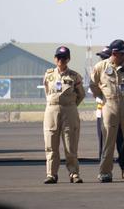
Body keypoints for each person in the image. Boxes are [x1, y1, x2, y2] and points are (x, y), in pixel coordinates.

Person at [90, 39, 124, 183]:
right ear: (114, 53)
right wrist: (103, 97)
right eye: (122, 53)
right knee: (108, 140)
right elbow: (93, 85)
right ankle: (105, 172)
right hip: (109, 105)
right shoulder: (100, 67)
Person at [42, 46, 85, 184]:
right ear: (55, 59)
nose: (61, 60)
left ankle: (74, 173)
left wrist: (70, 105)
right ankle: (51, 174)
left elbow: (81, 94)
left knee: (70, 144)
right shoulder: (48, 75)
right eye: (59, 58)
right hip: (52, 110)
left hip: (69, 110)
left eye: (64, 58)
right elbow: (47, 92)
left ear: (68, 59)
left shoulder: (74, 76)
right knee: (51, 143)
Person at [94, 46, 124, 180]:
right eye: (102, 56)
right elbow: (94, 90)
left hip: (119, 110)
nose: (103, 58)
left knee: (122, 143)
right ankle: (104, 170)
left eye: (105, 56)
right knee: (105, 144)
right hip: (103, 113)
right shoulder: (100, 70)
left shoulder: (123, 68)